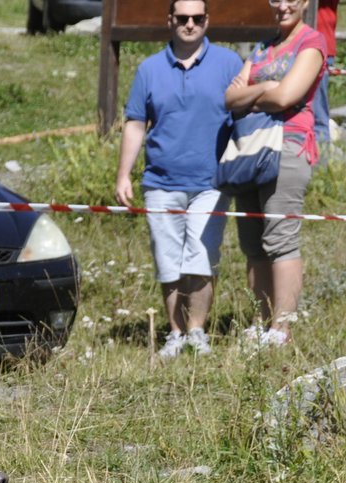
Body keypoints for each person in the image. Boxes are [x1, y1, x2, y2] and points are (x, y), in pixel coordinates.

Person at [115, 0, 242, 360]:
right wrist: (123, 173)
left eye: (197, 18)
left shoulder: (229, 63)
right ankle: (174, 333)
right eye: (183, 18)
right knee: (168, 261)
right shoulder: (149, 69)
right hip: (160, 182)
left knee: (201, 257)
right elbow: (136, 123)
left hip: (212, 182)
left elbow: (245, 112)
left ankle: (197, 331)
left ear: (207, 21)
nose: (190, 24)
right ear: (170, 20)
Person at [225, 0, 327, 348]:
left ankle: (282, 328)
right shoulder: (263, 46)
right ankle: (259, 321)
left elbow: (287, 95)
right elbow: (229, 97)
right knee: (253, 242)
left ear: (305, 3)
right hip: (250, 148)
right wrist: (265, 90)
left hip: (289, 146)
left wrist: (257, 93)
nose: (283, 6)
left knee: (280, 238)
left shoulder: (312, 43)